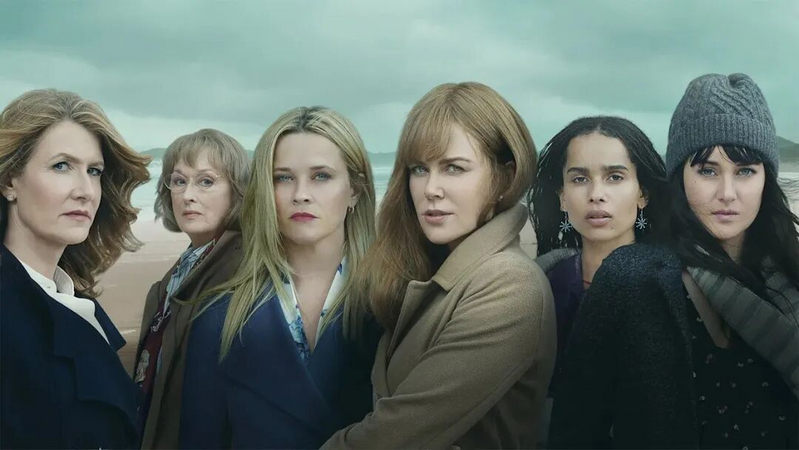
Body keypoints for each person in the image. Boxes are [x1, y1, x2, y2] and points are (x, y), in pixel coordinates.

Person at [549, 73, 799, 448]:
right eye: (707, 170)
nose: (727, 193)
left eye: (745, 171)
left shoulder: (789, 278)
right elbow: (576, 431)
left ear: (767, 179)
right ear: (680, 176)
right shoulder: (630, 279)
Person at [322, 82, 557, 449]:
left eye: (454, 168)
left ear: (505, 177)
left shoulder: (509, 284)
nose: (430, 188)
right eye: (420, 169)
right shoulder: (431, 266)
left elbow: (395, 433)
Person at [180, 106, 379, 449]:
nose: (300, 194)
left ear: (356, 190)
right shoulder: (218, 317)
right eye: (283, 178)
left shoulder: (393, 303)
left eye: (321, 176)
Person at [0, 88, 150, 448]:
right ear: (9, 181)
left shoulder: (73, 301)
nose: (86, 190)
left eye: (94, 171)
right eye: (61, 166)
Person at [527, 116, 667, 443]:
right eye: (579, 179)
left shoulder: (673, 286)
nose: (596, 194)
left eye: (615, 177)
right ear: (562, 196)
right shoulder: (541, 288)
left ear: (643, 193)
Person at [135, 128, 251, 448]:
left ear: (238, 191)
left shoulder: (243, 276)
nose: (188, 195)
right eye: (179, 181)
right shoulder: (182, 270)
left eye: (206, 181)